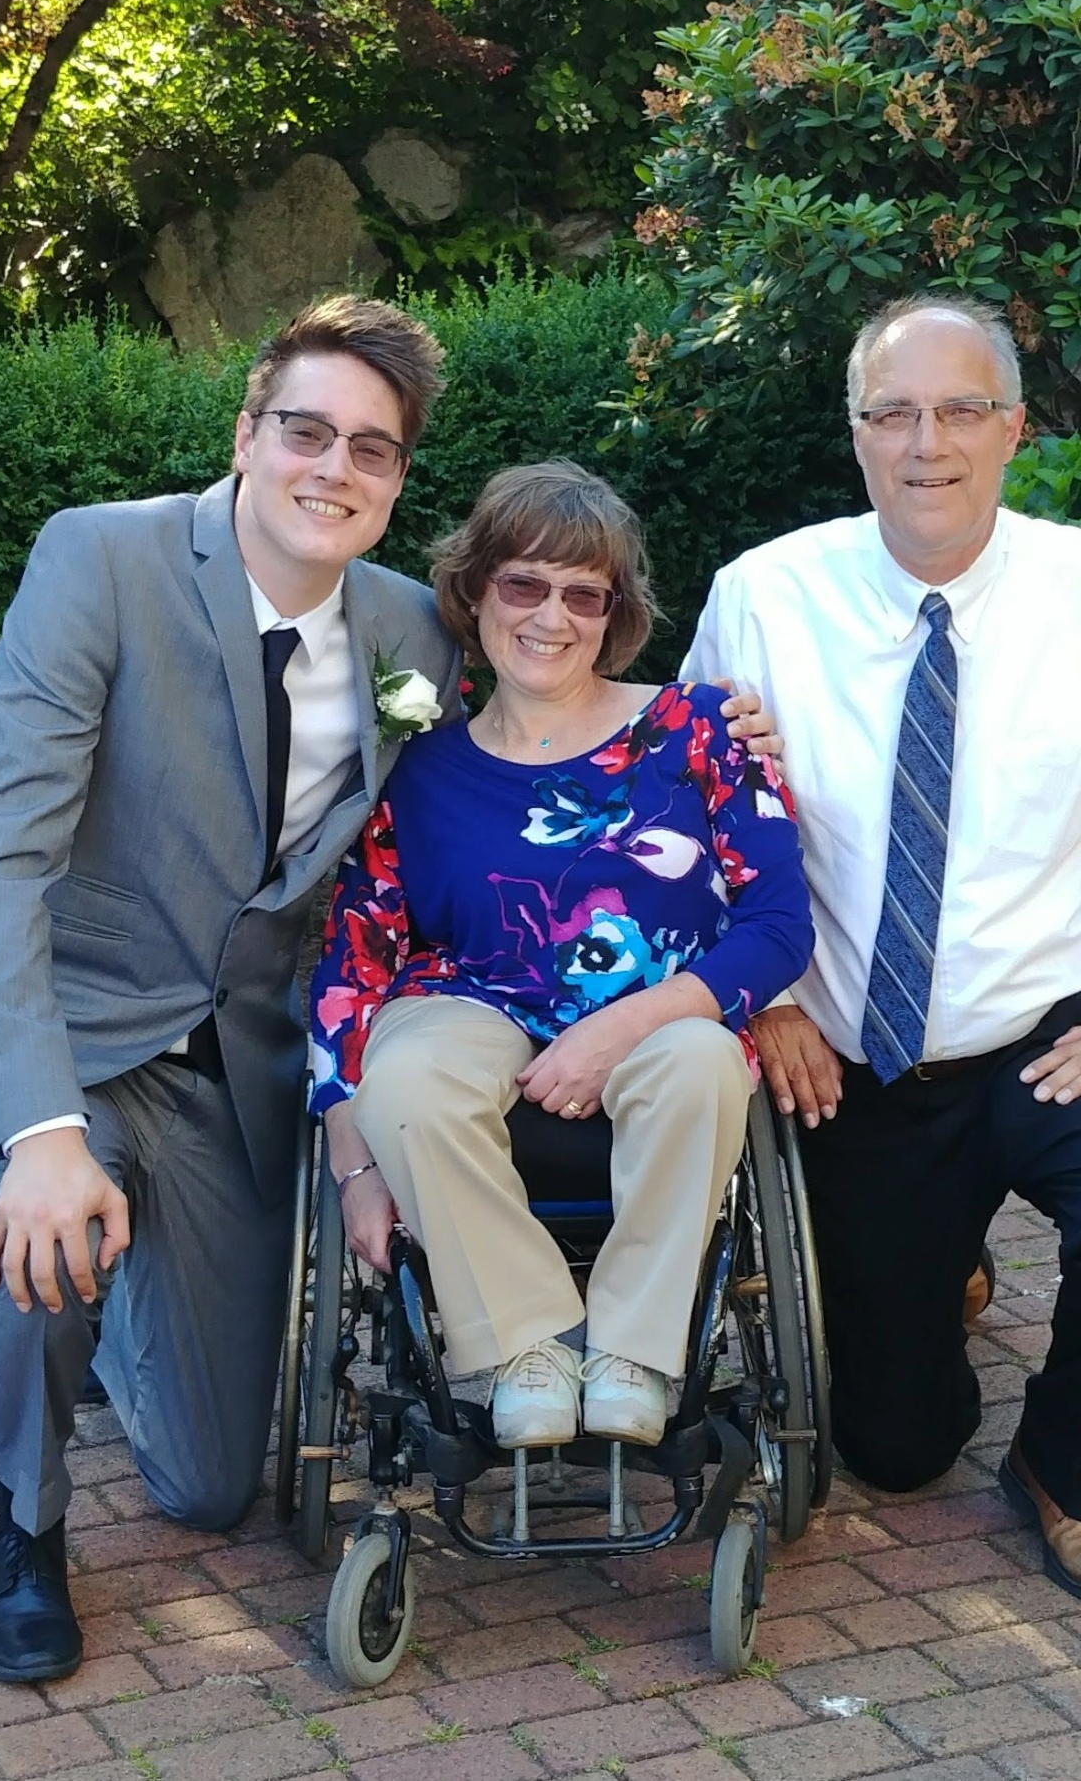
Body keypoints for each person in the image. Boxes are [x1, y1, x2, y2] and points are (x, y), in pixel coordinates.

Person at [0, 300, 776, 1684]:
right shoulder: (100, 560)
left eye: (372, 447)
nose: (333, 466)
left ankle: (130, 1309)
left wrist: (723, 731)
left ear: (399, 478)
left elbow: (554, 731)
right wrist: (44, 1135)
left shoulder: (414, 632)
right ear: (248, 435)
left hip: (236, 1062)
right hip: (74, 1021)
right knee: (48, 1240)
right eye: (306, 430)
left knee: (203, 1485)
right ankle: (26, 1524)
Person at [683, 294, 1081, 1603]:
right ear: (858, 436)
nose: (930, 442)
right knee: (900, 1448)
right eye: (895, 413)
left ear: (1015, 428)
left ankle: (1069, 1469)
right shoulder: (764, 599)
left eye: (962, 408)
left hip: (1044, 1035)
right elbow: (689, 821)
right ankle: (943, 1270)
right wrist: (762, 1004)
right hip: (847, 1056)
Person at [310, 461, 813, 1449]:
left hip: (659, 1007)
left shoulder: (700, 729)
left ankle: (632, 1349)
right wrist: (352, 1165)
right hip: (467, 1000)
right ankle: (528, 1343)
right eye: (522, 584)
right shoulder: (415, 765)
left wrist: (612, 1029)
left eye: (584, 593)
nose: (552, 615)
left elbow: (778, 925)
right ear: (474, 590)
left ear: (613, 613)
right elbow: (352, 961)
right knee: (402, 1075)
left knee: (702, 1060)